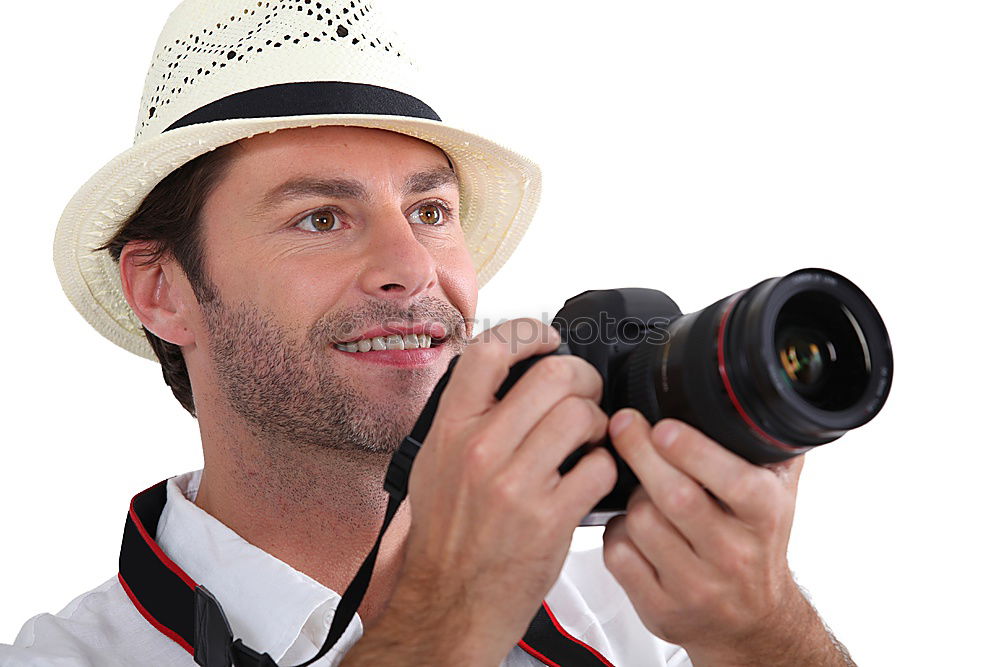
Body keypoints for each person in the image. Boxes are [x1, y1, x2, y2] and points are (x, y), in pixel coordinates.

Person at [2, 1, 856, 665]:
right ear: (162, 289)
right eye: (321, 216)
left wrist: (761, 626)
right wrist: (452, 615)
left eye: (430, 210)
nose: (412, 267)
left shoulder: (640, 613)